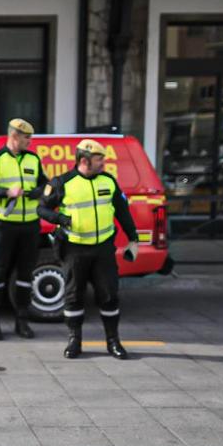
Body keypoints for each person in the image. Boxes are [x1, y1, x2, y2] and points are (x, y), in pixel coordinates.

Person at [38, 138, 139, 360]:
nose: (103, 162)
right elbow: (42, 209)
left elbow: (122, 211)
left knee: (109, 295)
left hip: (103, 249)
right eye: (99, 158)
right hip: (74, 249)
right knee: (74, 296)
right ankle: (75, 341)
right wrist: (60, 218)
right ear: (84, 160)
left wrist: (133, 238)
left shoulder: (109, 181)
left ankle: (113, 341)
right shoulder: (62, 183)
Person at [0, 118, 48, 340]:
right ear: (14, 137)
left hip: (30, 226)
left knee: (25, 275)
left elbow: (46, 184)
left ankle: (21, 321)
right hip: (4, 226)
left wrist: (37, 192)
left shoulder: (33, 160)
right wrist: (6, 192)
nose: (30, 142)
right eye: (27, 138)